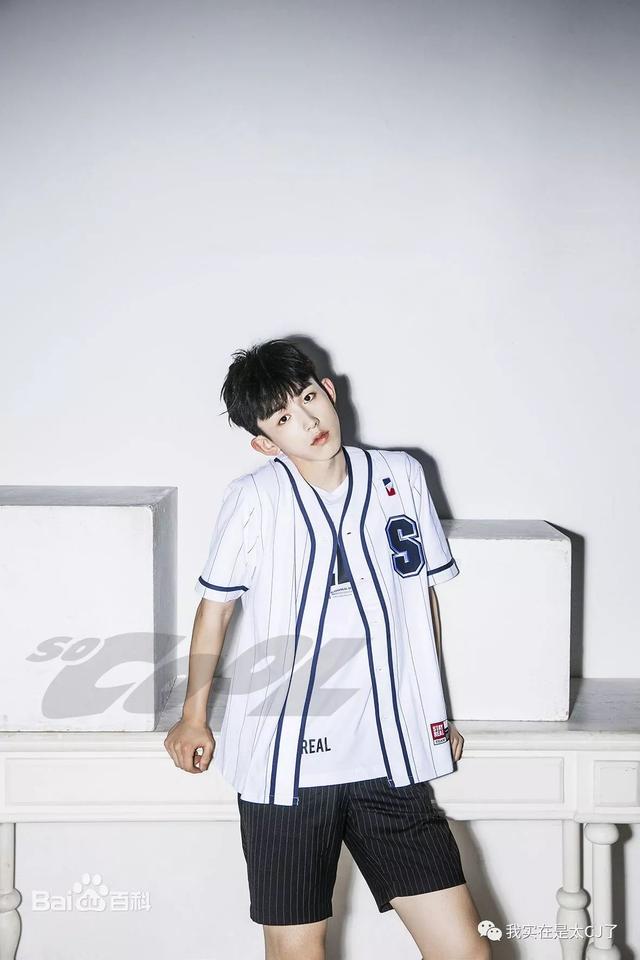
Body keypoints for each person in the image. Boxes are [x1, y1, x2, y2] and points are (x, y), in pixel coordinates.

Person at [164, 339, 490, 960]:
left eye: (310, 398)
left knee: (464, 950)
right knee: (297, 951)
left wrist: (432, 714)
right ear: (265, 442)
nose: (309, 421)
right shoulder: (254, 497)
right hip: (284, 769)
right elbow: (215, 609)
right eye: (283, 417)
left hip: (389, 761)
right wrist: (193, 716)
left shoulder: (402, 475)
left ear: (330, 391)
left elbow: (422, 603)